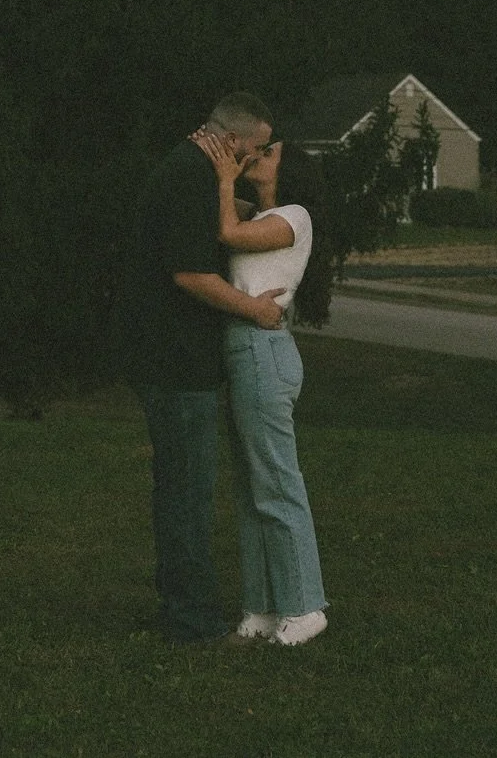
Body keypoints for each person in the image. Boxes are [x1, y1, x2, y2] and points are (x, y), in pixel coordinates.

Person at [118, 92, 288, 645]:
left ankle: (182, 606)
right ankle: (191, 621)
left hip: (174, 356)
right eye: (257, 148)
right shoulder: (190, 178)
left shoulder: (198, 174)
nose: (259, 157)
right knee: (187, 492)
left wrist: (260, 189)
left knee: (181, 487)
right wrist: (257, 310)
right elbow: (192, 275)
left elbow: (245, 228)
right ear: (232, 140)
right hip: (176, 359)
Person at [193, 127, 329, 647]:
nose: (258, 154)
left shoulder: (294, 217)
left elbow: (227, 233)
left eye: (269, 153)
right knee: (253, 486)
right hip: (242, 348)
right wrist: (216, 163)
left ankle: (305, 607)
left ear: (287, 171)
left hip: (262, 350)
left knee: (276, 482)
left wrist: (227, 178)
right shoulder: (259, 214)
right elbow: (221, 213)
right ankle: (263, 608)